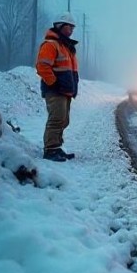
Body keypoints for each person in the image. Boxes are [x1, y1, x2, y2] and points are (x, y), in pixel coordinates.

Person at [36, 13, 79, 162]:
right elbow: (42, 66)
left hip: (65, 90)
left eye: (73, 27)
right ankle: (50, 150)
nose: (71, 30)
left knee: (63, 120)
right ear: (60, 26)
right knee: (56, 119)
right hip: (55, 90)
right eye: (69, 27)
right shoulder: (51, 44)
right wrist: (53, 83)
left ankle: (56, 147)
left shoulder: (66, 46)